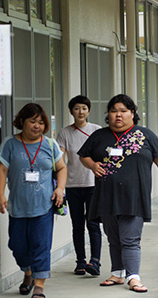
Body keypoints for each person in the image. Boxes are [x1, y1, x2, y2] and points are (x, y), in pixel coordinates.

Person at [78, 94, 158, 293]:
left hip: (134, 196)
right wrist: (92, 165)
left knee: (130, 239)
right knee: (113, 238)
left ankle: (133, 277)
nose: (118, 115)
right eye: (114, 111)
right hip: (107, 195)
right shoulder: (99, 135)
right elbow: (83, 155)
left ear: (132, 113)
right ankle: (117, 273)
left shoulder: (145, 135)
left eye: (123, 111)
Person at [0, 103, 67, 298]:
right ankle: (27, 271)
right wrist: (0, 195)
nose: (37, 126)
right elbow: (2, 170)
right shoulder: (10, 144)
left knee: (40, 244)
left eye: (41, 122)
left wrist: (59, 189)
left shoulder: (50, 145)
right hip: (18, 206)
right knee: (17, 246)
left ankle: (39, 284)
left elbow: (61, 168)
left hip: (44, 205)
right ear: (22, 122)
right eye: (32, 121)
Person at [56, 96, 102, 276]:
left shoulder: (96, 130)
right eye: (76, 108)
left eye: (84, 108)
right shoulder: (65, 133)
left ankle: (95, 261)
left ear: (88, 111)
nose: (80, 112)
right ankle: (81, 261)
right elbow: (60, 159)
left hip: (93, 184)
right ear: (71, 111)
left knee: (93, 224)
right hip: (73, 185)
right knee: (77, 225)